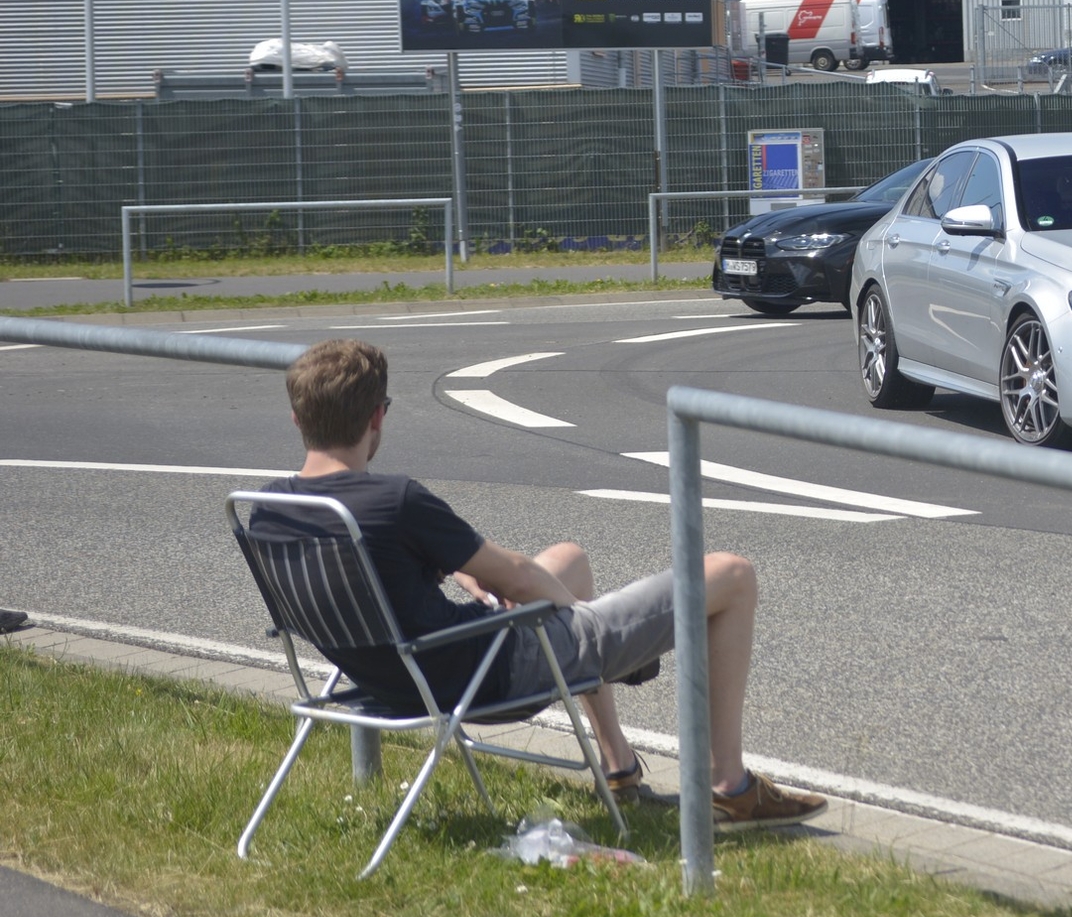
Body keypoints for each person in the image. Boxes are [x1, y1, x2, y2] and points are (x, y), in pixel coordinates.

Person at [249, 338, 823, 830]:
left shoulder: (268, 511)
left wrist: (471, 577)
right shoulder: (395, 501)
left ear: (298, 420)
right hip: (489, 676)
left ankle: (618, 767)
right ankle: (731, 786)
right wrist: (581, 629)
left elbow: (419, 570)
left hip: (394, 680)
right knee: (731, 574)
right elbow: (519, 576)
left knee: (568, 558)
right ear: (377, 416)